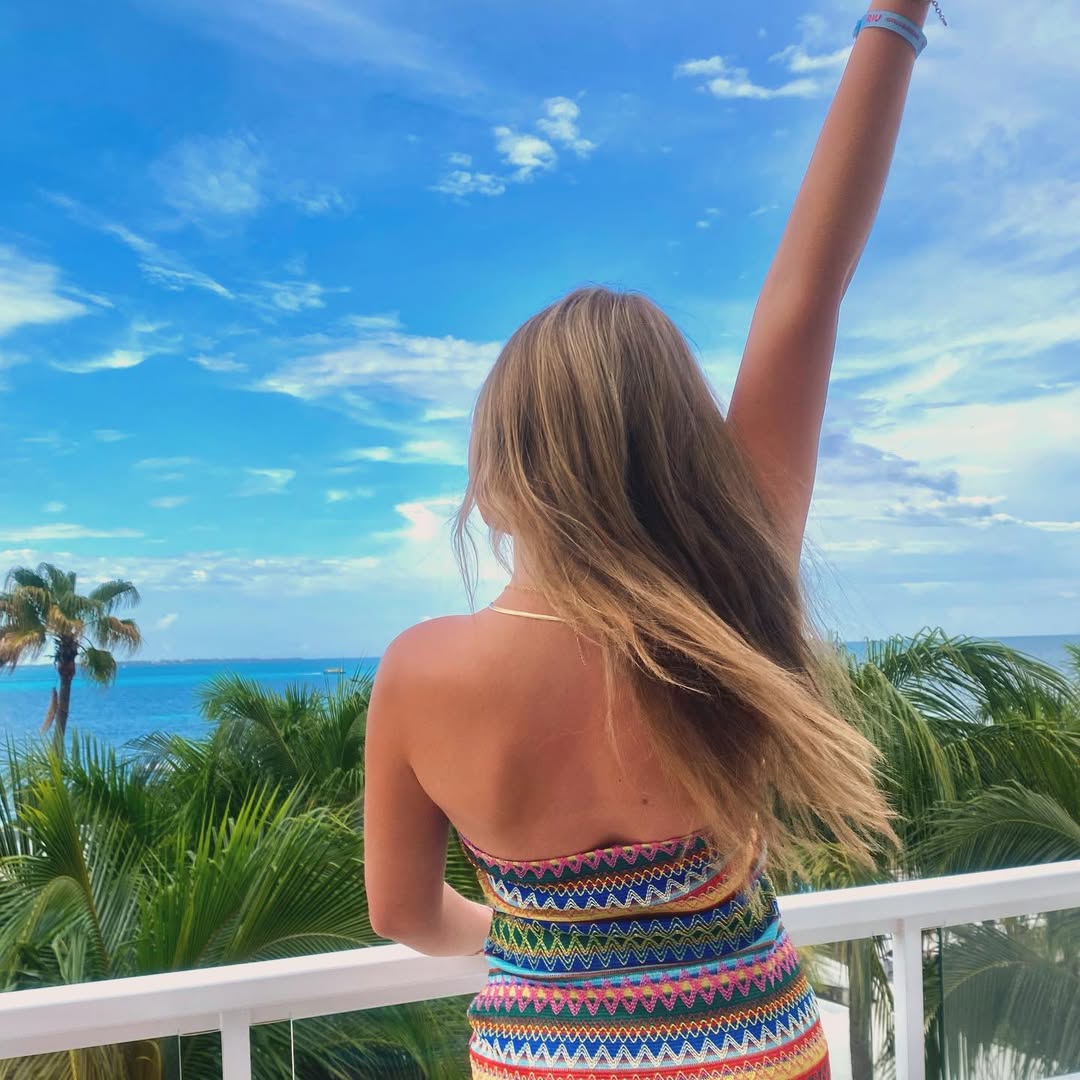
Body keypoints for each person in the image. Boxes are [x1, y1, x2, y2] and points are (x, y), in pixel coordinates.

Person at [365, 2, 939, 1075]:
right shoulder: (731, 595)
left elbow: (402, 912)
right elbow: (806, 297)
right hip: (758, 1052)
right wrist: (894, 22)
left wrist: (546, 948)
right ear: (683, 456)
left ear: (496, 479)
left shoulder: (421, 671)